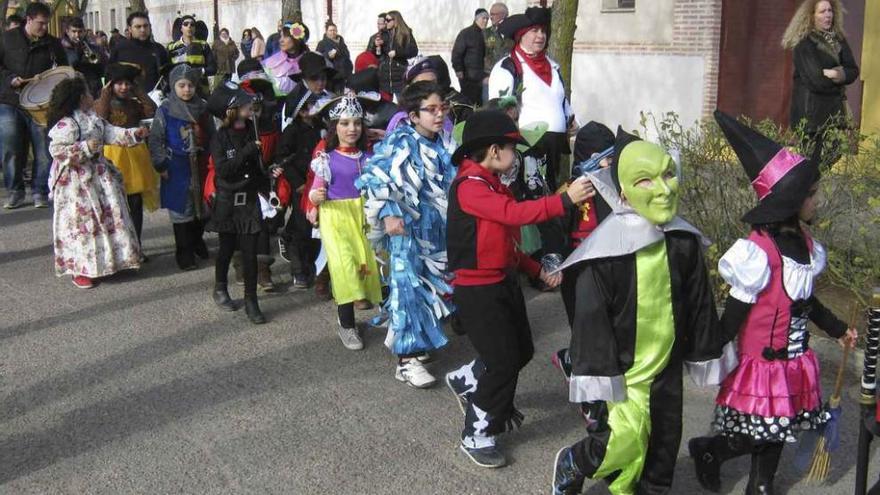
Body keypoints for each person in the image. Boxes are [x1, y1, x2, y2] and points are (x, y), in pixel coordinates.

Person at [550, 128, 734, 495]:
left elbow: (699, 301)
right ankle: (576, 460)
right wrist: (599, 371)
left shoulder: (682, 241)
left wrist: (703, 350)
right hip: (624, 368)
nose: (665, 189)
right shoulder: (605, 252)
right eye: (647, 180)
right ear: (622, 192)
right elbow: (591, 319)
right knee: (620, 442)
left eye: (668, 174)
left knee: (665, 442)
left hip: (666, 365)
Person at [686, 111, 858, 495]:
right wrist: (710, 346)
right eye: (811, 194)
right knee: (752, 432)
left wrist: (837, 328)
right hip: (760, 363)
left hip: (793, 361)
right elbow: (734, 314)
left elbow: (806, 303)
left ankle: (761, 484)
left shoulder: (808, 247)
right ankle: (710, 450)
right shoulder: (757, 253)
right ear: (790, 200)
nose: (817, 200)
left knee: (780, 426)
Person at [444, 110, 591, 468]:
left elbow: (506, 243)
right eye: (513, 147)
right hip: (477, 290)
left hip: (502, 281)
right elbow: (515, 215)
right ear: (494, 150)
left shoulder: (493, 183)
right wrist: (565, 199)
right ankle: (477, 432)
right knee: (502, 362)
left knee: (521, 350)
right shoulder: (470, 187)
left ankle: (466, 378)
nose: (517, 155)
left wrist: (537, 268)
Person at [357, 81, 456, 387]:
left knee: (431, 286)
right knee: (407, 289)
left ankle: (420, 342)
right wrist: (388, 214)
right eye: (430, 110)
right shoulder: (400, 142)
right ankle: (406, 360)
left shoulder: (443, 143)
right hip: (407, 231)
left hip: (435, 232)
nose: (438, 115)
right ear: (413, 115)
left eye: (442, 108)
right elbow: (375, 175)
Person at [46, 76, 149, 289]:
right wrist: (84, 148)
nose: (92, 96)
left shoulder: (92, 118)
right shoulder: (68, 123)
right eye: (88, 93)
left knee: (109, 216)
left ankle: (112, 262)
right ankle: (80, 269)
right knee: (83, 224)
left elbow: (110, 132)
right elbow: (56, 150)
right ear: (80, 97)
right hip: (76, 183)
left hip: (100, 177)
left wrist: (133, 134)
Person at [307, 95, 383, 348]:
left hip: (365, 216)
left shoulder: (370, 157)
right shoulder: (326, 159)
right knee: (344, 269)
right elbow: (316, 189)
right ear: (334, 127)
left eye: (357, 123)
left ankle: (386, 312)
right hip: (336, 217)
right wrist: (315, 196)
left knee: (370, 264)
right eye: (345, 123)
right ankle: (347, 324)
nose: (352, 129)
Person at [205, 81, 271, 324]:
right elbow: (223, 170)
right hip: (227, 200)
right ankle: (220, 287)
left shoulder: (253, 129)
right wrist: (247, 153)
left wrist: (268, 173)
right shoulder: (219, 137)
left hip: (249, 201)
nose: (249, 107)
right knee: (226, 248)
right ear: (231, 109)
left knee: (250, 253)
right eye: (244, 104)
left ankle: (251, 300)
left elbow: (257, 167)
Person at [489, 6, 574, 192]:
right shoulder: (508, 67)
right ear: (521, 35)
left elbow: (561, 101)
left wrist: (571, 119)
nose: (540, 36)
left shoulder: (553, 67)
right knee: (529, 200)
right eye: (534, 30)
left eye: (543, 31)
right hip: (526, 150)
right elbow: (498, 111)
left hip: (554, 149)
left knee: (552, 197)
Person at [0, 2, 67, 210]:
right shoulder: (6, 39)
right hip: (10, 100)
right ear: (28, 20)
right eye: (41, 23)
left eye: (46, 23)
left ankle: (40, 190)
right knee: (11, 147)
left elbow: (64, 69)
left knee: (43, 149)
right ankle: (15, 191)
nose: (45, 28)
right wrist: (10, 79)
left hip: (41, 104)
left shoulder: (53, 44)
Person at [148, 64, 214, 271]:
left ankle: (197, 241)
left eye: (191, 85)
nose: (187, 90)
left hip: (202, 163)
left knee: (203, 207)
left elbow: (212, 135)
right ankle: (184, 253)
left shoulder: (203, 107)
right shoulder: (166, 109)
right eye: (182, 85)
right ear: (173, 86)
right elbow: (156, 139)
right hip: (176, 165)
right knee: (181, 210)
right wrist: (161, 164)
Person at [783, 0, 859, 168]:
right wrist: (840, 76)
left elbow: (853, 70)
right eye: (822, 11)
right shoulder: (803, 43)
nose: (827, 15)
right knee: (808, 158)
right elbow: (816, 81)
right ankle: (807, 186)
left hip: (834, 113)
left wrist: (835, 73)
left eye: (830, 11)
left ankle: (812, 181)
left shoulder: (838, 39)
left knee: (836, 150)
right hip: (810, 114)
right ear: (811, 16)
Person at [95, 63, 159, 256]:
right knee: (113, 204)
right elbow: (100, 119)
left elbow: (151, 110)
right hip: (112, 155)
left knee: (135, 203)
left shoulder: (133, 104)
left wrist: (139, 91)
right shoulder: (101, 102)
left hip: (135, 156)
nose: (124, 87)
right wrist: (105, 95)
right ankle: (119, 249)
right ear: (110, 84)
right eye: (119, 83)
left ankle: (137, 246)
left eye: (127, 83)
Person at [276, 83, 323, 290]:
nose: (316, 108)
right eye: (311, 105)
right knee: (301, 229)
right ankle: (299, 270)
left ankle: (314, 265)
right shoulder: (292, 132)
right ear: (302, 110)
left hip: (319, 184)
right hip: (302, 187)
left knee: (317, 227)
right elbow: (283, 159)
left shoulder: (322, 127)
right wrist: (298, 184)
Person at [109, 12, 170, 94]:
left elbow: (167, 75)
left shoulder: (158, 49)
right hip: (127, 100)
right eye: (138, 27)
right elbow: (109, 76)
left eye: (145, 26)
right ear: (130, 29)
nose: (143, 30)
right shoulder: (120, 49)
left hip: (154, 100)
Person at [281, 51, 334, 128]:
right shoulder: (295, 101)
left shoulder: (328, 95)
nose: (320, 83)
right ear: (304, 78)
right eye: (314, 78)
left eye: (323, 78)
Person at [166, 15, 216, 93]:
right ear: (181, 28)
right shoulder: (171, 47)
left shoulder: (203, 45)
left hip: (200, 90)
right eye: (186, 24)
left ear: (195, 28)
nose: (189, 26)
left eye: (192, 24)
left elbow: (213, 68)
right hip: (179, 91)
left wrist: (200, 71)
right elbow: (167, 70)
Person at [376, 11, 419, 98]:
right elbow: (377, 54)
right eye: (385, 20)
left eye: (388, 20)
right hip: (385, 76)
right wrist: (377, 46)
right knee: (385, 108)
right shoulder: (383, 34)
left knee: (402, 105)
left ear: (395, 21)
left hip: (399, 75)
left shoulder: (405, 34)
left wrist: (397, 53)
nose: (385, 22)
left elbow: (413, 51)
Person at [452, 9, 489, 105]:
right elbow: (457, 53)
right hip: (468, 76)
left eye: (487, 19)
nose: (485, 21)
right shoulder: (466, 33)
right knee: (469, 103)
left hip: (482, 76)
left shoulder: (486, 34)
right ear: (476, 19)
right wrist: (458, 69)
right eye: (483, 18)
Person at [62, 17, 106, 98]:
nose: (77, 35)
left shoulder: (92, 48)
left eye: (80, 32)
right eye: (74, 31)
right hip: (70, 91)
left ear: (84, 32)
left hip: (91, 90)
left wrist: (95, 58)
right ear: (67, 31)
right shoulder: (61, 49)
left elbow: (101, 68)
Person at [263, 24, 310, 96]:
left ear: (297, 39)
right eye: (281, 36)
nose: (281, 40)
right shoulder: (272, 62)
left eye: (285, 36)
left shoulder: (312, 61)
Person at [316, 22, 353, 91]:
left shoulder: (342, 43)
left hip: (344, 75)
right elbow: (318, 57)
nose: (333, 32)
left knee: (342, 96)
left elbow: (347, 56)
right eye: (330, 30)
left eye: (334, 30)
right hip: (331, 75)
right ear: (326, 31)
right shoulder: (322, 43)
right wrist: (327, 56)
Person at [484, 3, 513, 71]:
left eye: (493, 14)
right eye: (490, 14)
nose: (491, 17)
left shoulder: (513, 31)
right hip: (490, 73)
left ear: (503, 15)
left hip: (510, 72)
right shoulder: (485, 33)